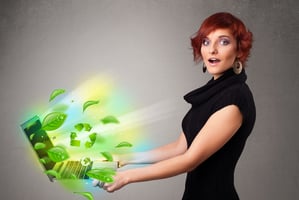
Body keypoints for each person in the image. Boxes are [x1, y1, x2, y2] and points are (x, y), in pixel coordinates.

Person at [97, 12, 256, 200]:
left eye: (223, 42)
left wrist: (125, 177)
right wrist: (124, 159)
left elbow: (190, 160)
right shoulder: (213, 92)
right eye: (206, 42)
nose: (212, 49)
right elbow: (179, 148)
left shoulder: (235, 97)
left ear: (239, 50)